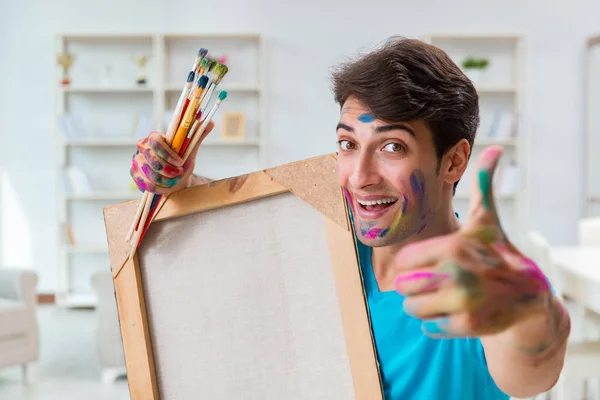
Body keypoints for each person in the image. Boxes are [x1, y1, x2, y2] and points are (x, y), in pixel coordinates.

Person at [130, 37, 570, 399]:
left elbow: (532, 371)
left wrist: (528, 312)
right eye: (348, 144)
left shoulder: (481, 284)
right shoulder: (327, 243)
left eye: (392, 147)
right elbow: (239, 237)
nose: (360, 177)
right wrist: (178, 185)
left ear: (453, 162)